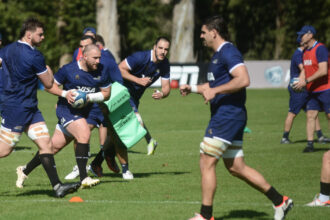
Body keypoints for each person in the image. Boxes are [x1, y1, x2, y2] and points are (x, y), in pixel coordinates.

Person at [180, 16, 293, 220]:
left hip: (227, 116)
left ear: (214, 32)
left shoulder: (229, 52)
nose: (201, 36)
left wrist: (216, 92)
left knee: (206, 161)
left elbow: (244, 79)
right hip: (230, 116)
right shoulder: (217, 56)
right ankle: (280, 201)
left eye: (203, 32)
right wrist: (193, 88)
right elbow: (213, 87)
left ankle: (206, 216)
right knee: (236, 167)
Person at [0, 18, 79, 197]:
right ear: (29, 35)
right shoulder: (35, 57)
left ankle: (58, 187)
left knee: (46, 145)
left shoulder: (7, 49)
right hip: (17, 109)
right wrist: (48, 68)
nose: (43, 37)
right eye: (40, 34)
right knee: (4, 151)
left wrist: (65, 94)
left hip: (29, 108)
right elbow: (49, 82)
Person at [15, 44, 111, 189]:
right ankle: (84, 178)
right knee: (84, 133)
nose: (98, 61)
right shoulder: (68, 70)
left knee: (51, 148)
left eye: (99, 58)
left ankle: (24, 170)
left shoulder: (102, 70)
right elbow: (50, 86)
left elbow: (106, 93)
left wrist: (88, 97)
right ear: (84, 57)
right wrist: (65, 94)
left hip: (87, 111)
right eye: (95, 58)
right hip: (66, 110)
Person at [64, 34, 122, 180]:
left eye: (86, 46)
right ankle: (81, 166)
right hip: (87, 108)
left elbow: (118, 82)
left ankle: (101, 160)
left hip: (103, 105)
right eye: (81, 46)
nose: (83, 49)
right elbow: (71, 82)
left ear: (96, 46)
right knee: (81, 135)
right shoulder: (78, 60)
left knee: (110, 138)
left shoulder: (106, 61)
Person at [119, 36, 171, 155]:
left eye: (166, 49)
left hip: (136, 96)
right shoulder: (140, 57)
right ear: (154, 47)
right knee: (135, 120)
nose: (163, 52)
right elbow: (120, 69)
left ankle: (149, 141)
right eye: (160, 48)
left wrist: (162, 94)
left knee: (127, 123)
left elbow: (167, 88)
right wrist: (137, 80)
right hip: (122, 90)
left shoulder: (165, 64)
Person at [280, 36, 329, 145]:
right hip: (299, 88)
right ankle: (285, 137)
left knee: (312, 111)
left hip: (305, 87)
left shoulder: (304, 52)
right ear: (303, 43)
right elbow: (304, 69)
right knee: (292, 112)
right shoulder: (299, 54)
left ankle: (320, 136)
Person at [295, 25, 330, 153]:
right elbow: (305, 69)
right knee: (310, 115)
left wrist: (306, 81)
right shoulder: (304, 51)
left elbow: (323, 70)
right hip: (312, 90)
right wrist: (299, 81)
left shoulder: (320, 49)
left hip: (326, 89)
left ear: (310, 35)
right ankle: (310, 145)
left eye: (302, 35)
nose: (300, 37)